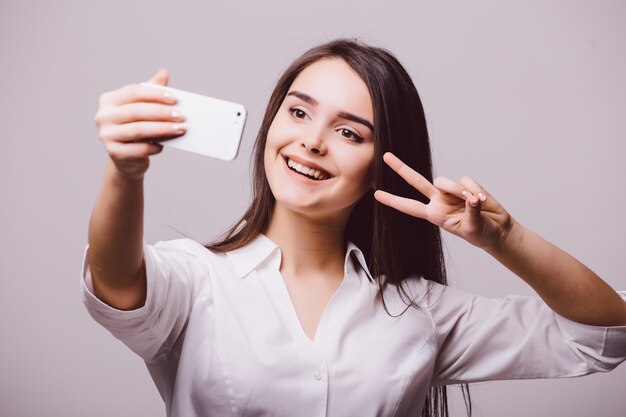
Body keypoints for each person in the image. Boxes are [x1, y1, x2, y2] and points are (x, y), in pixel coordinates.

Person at [82, 39, 626, 417]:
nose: (313, 141)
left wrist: (506, 241)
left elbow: (605, 335)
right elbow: (117, 285)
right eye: (298, 113)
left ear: (382, 165)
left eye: (349, 131)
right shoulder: (197, 279)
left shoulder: (419, 312)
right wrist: (125, 173)